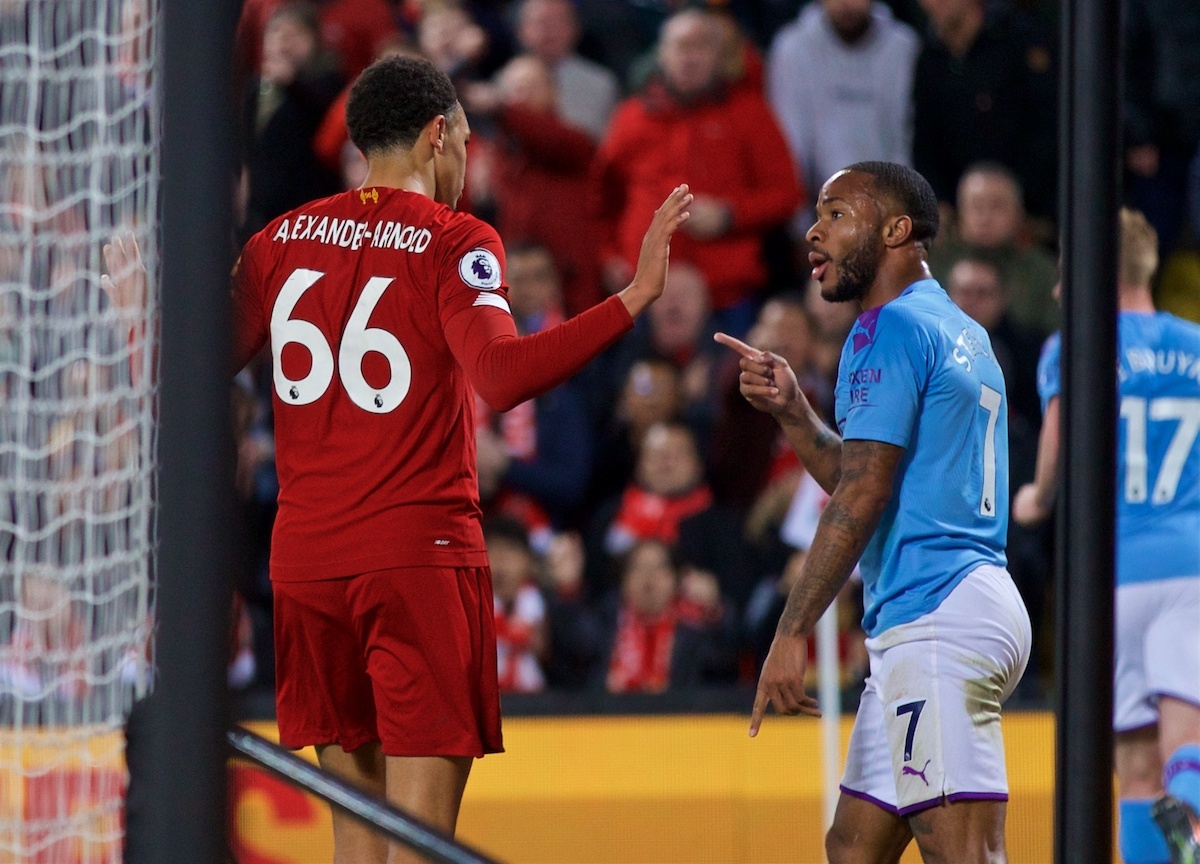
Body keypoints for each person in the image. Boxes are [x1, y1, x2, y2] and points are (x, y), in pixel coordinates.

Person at [223, 55, 689, 864]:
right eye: (466, 142)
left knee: (356, 845)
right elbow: (503, 378)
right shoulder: (453, 239)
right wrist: (633, 298)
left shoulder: (279, 240)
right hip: (415, 564)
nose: (467, 165)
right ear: (440, 134)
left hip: (306, 566)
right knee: (419, 846)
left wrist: (135, 317)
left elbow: (193, 365)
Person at [716, 161, 1030, 861]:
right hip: (951, 605)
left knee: (964, 854)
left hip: (937, 617)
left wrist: (791, 631)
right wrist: (796, 413)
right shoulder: (957, 328)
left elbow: (862, 493)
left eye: (836, 215)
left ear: (895, 231)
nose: (813, 233)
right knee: (854, 847)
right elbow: (868, 476)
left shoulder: (883, 331)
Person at [1013, 208, 1200, 864]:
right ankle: (1193, 801)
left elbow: (1055, 467)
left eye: (1067, 274)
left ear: (1095, 272)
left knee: (1134, 767)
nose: (1061, 291)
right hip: (1191, 562)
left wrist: (1033, 499)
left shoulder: (1075, 345)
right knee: (1185, 750)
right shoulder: (1197, 344)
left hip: (1116, 570)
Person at [593, 8, 801, 336]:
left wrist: (729, 214)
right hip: (641, 292)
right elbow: (601, 199)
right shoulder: (630, 117)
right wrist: (609, 255)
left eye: (700, 47)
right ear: (662, 55)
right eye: (680, 47)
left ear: (719, 56)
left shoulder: (751, 114)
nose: (690, 57)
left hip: (727, 294)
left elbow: (787, 193)